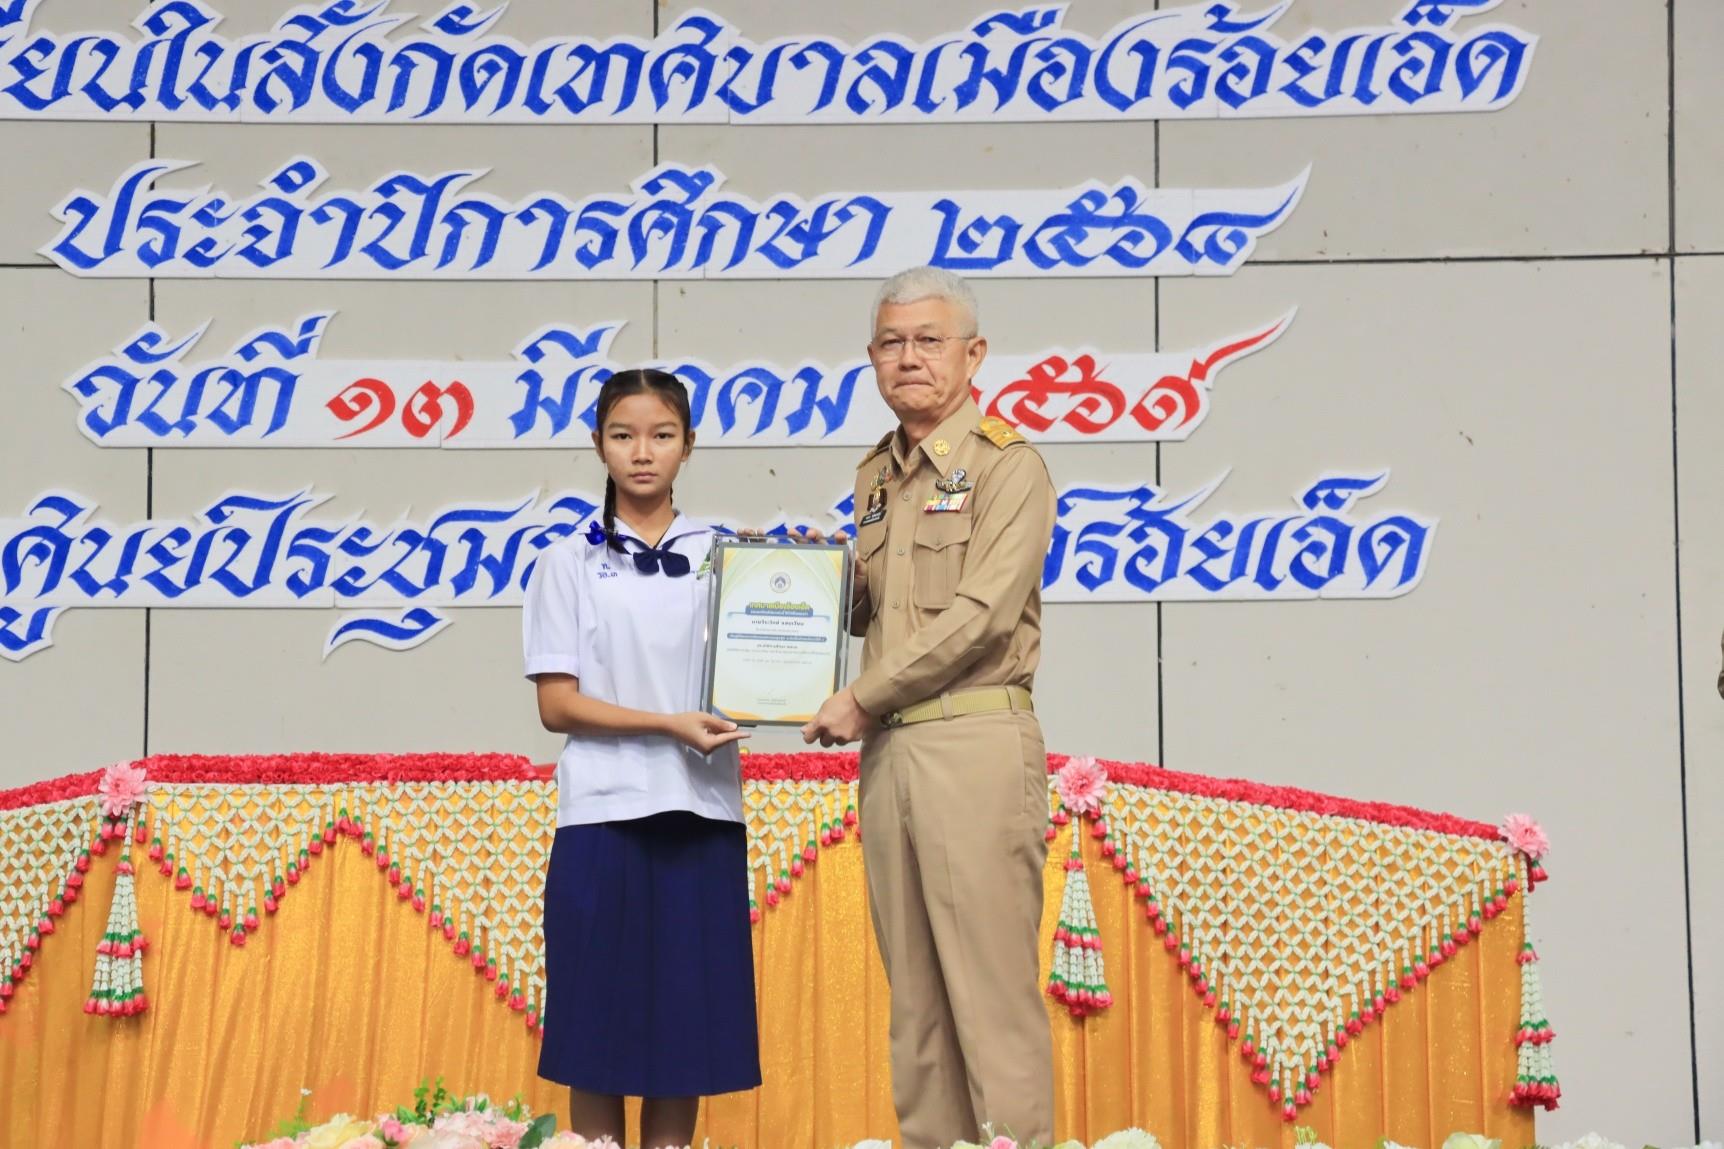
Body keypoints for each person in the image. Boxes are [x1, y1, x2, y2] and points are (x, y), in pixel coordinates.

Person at [801, 266, 1059, 1149]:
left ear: (973, 354)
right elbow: (879, 609)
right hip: (892, 750)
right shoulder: (877, 472)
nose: (908, 358)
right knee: (915, 1010)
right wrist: (809, 582)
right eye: (891, 342)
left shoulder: (1008, 465)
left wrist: (861, 696)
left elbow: (982, 615)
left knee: (989, 1000)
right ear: (871, 356)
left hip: (973, 737)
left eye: (928, 340)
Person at [521, 368, 761, 1149]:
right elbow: (557, 704)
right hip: (603, 812)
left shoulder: (726, 554)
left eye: (662, 435)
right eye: (623, 435)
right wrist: (666, 724)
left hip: (703, 810)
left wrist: (799, 593)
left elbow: (764, 659)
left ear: (689, 444)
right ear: (599, 444)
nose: (642, 452)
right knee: (596, 1031)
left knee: (682, 1038)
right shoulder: (566, 560)